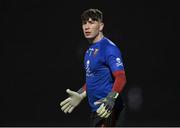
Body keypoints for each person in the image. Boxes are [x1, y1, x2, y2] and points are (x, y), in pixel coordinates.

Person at [60, 8, 127, 127]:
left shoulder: (109, 48)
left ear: (101, 26)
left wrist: (110, 99)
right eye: (84, 23)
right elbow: (93, 77)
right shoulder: (89, 50)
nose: (87, 26)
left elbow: (121, 77)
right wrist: (80, 94)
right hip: (97, 111)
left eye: (91, 22)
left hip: (109, 110)